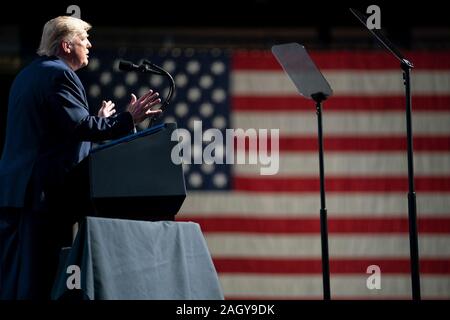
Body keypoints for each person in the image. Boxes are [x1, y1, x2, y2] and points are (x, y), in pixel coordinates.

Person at [0, 16, 162, 299]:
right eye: (83, 39)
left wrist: (96, 121)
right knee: (41, 280)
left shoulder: (29, 73)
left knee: (18, 278)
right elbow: (79, 126)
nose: (89, 44)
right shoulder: (59, 75)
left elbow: (61, 133)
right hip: (43, 198)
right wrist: (128, 119)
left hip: (21, 194)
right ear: (65, 45)